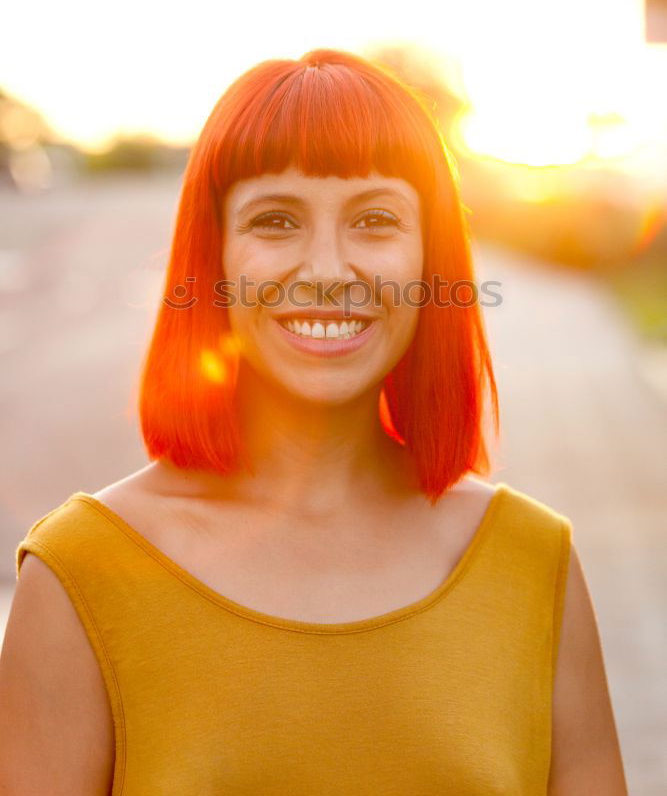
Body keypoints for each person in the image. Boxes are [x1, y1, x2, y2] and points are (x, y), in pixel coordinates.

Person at [0, 49, 627, 794]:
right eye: (275, 219)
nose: (327, 269)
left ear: (432, 263)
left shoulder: (534, 563)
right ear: (213, 260)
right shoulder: (80, 574)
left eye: (374, 219)